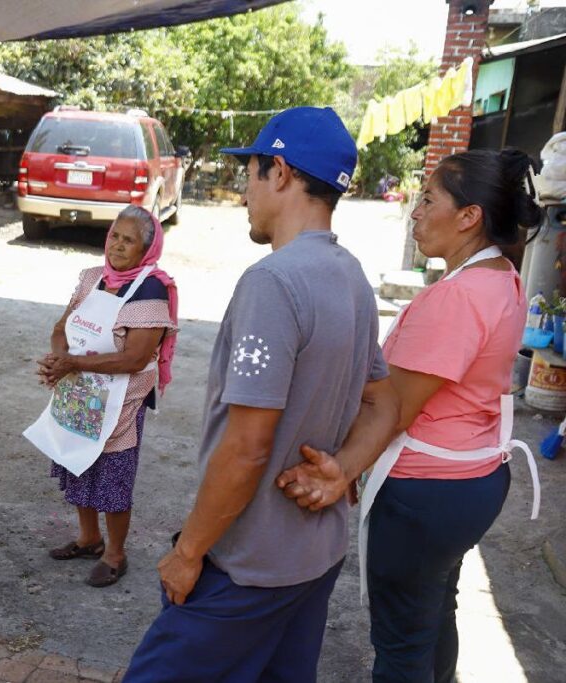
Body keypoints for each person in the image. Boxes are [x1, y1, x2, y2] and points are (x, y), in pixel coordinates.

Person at [123, 107, 399, 682]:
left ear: (278, 172)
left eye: (248, 172)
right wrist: (341, 471)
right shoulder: (352, 277)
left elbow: (248, 448)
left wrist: (189, 552)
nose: (243, 191)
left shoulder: (273, 283)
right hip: (314, 558)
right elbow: (384, 404)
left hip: (248, 565)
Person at [276, 148, 543, 682]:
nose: (414, 212)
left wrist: (342, 468)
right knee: (430, 616)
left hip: (426, 493)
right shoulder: (502, 277)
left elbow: (392, 408)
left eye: (427, 199)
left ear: (469, 217)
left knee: (401, 643)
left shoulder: (457, 298)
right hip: (471, 478)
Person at [24, 205, 178, 588]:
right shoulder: (93, 278)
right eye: (114, 236)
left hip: (120, 401)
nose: (118, 246)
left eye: (129, 240)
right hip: (79, 393)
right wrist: (61, 359)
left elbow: (135, 357)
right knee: (78, 462)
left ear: (147, 248)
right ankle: (89, 539)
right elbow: (62, 325)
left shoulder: (151, 289)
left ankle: (115, 554)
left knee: (112, 477)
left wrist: (73, 362)